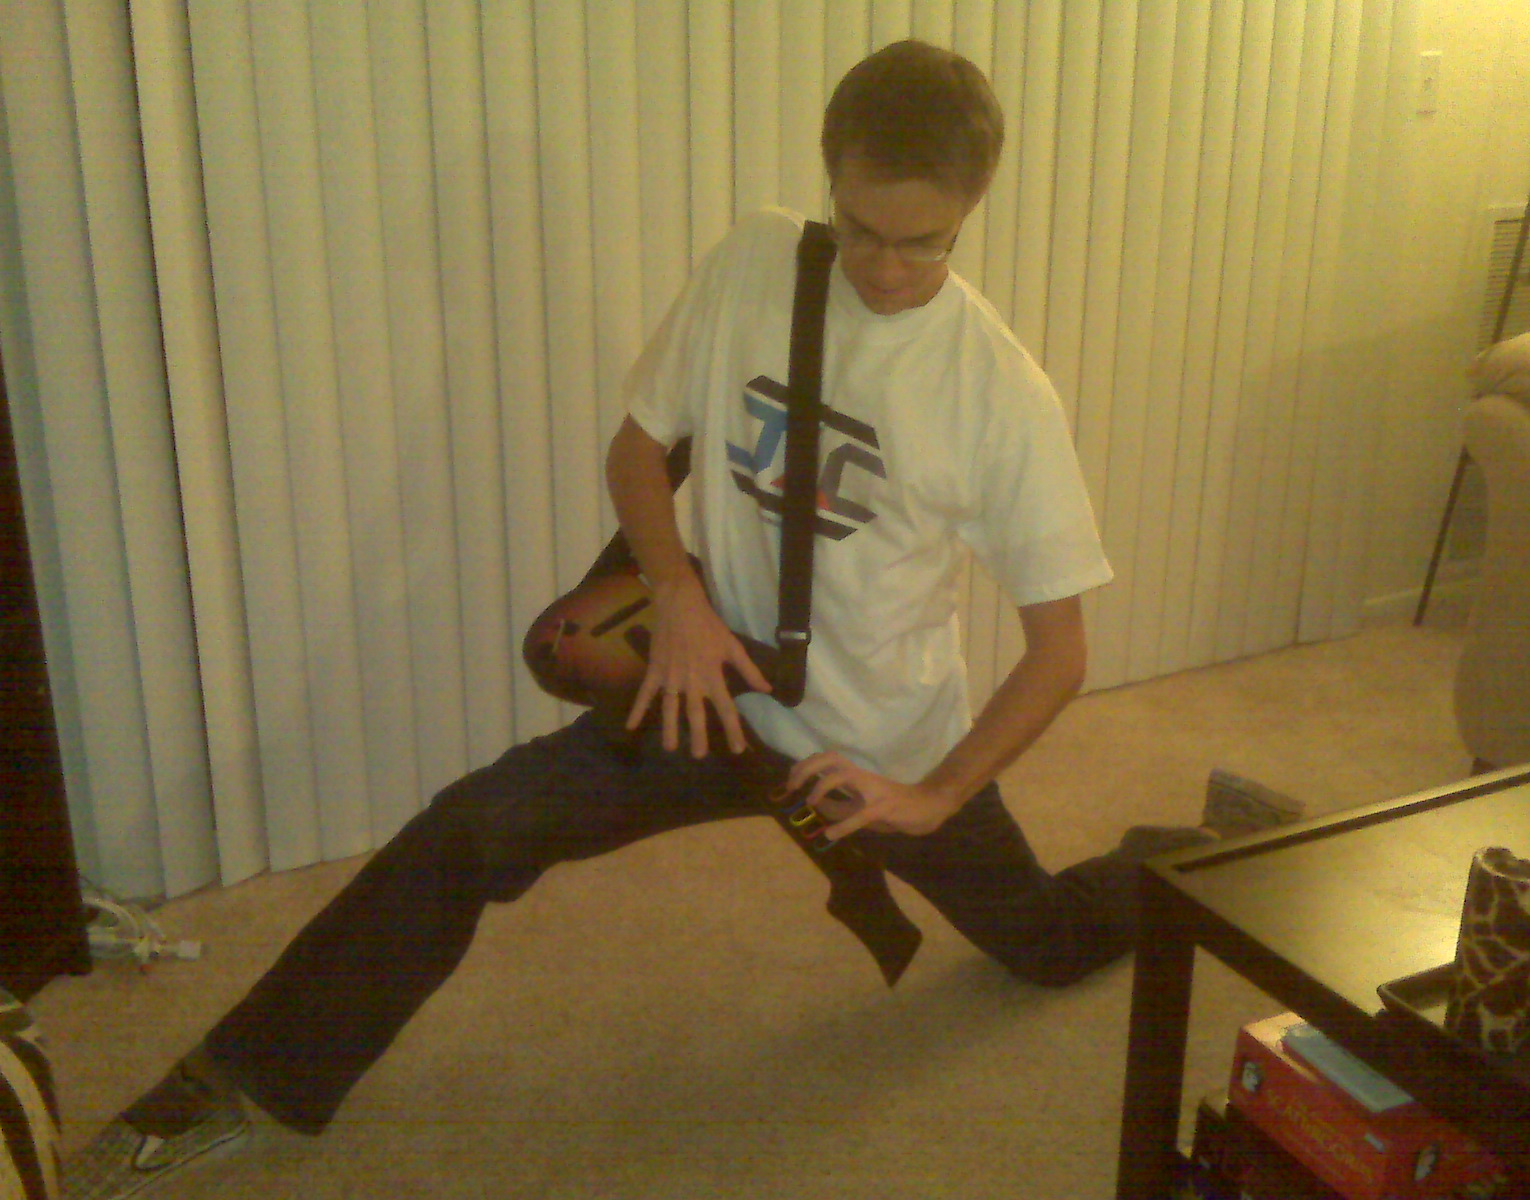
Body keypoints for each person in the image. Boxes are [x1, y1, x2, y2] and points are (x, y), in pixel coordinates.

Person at [63, 40, 1295, 1200]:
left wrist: (931, 795)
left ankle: (1201, 848)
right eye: (861, 229)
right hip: (708, 692)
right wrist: (682, 598)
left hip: (874, 746)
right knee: (471, 827)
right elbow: (637, 451)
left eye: (922, 243)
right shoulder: (757, 263)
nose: (883, 269)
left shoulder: (999, 393)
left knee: (1044, 945)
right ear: (831, 180)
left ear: (972, 207)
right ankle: (240, 1079)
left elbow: (1059, 653)